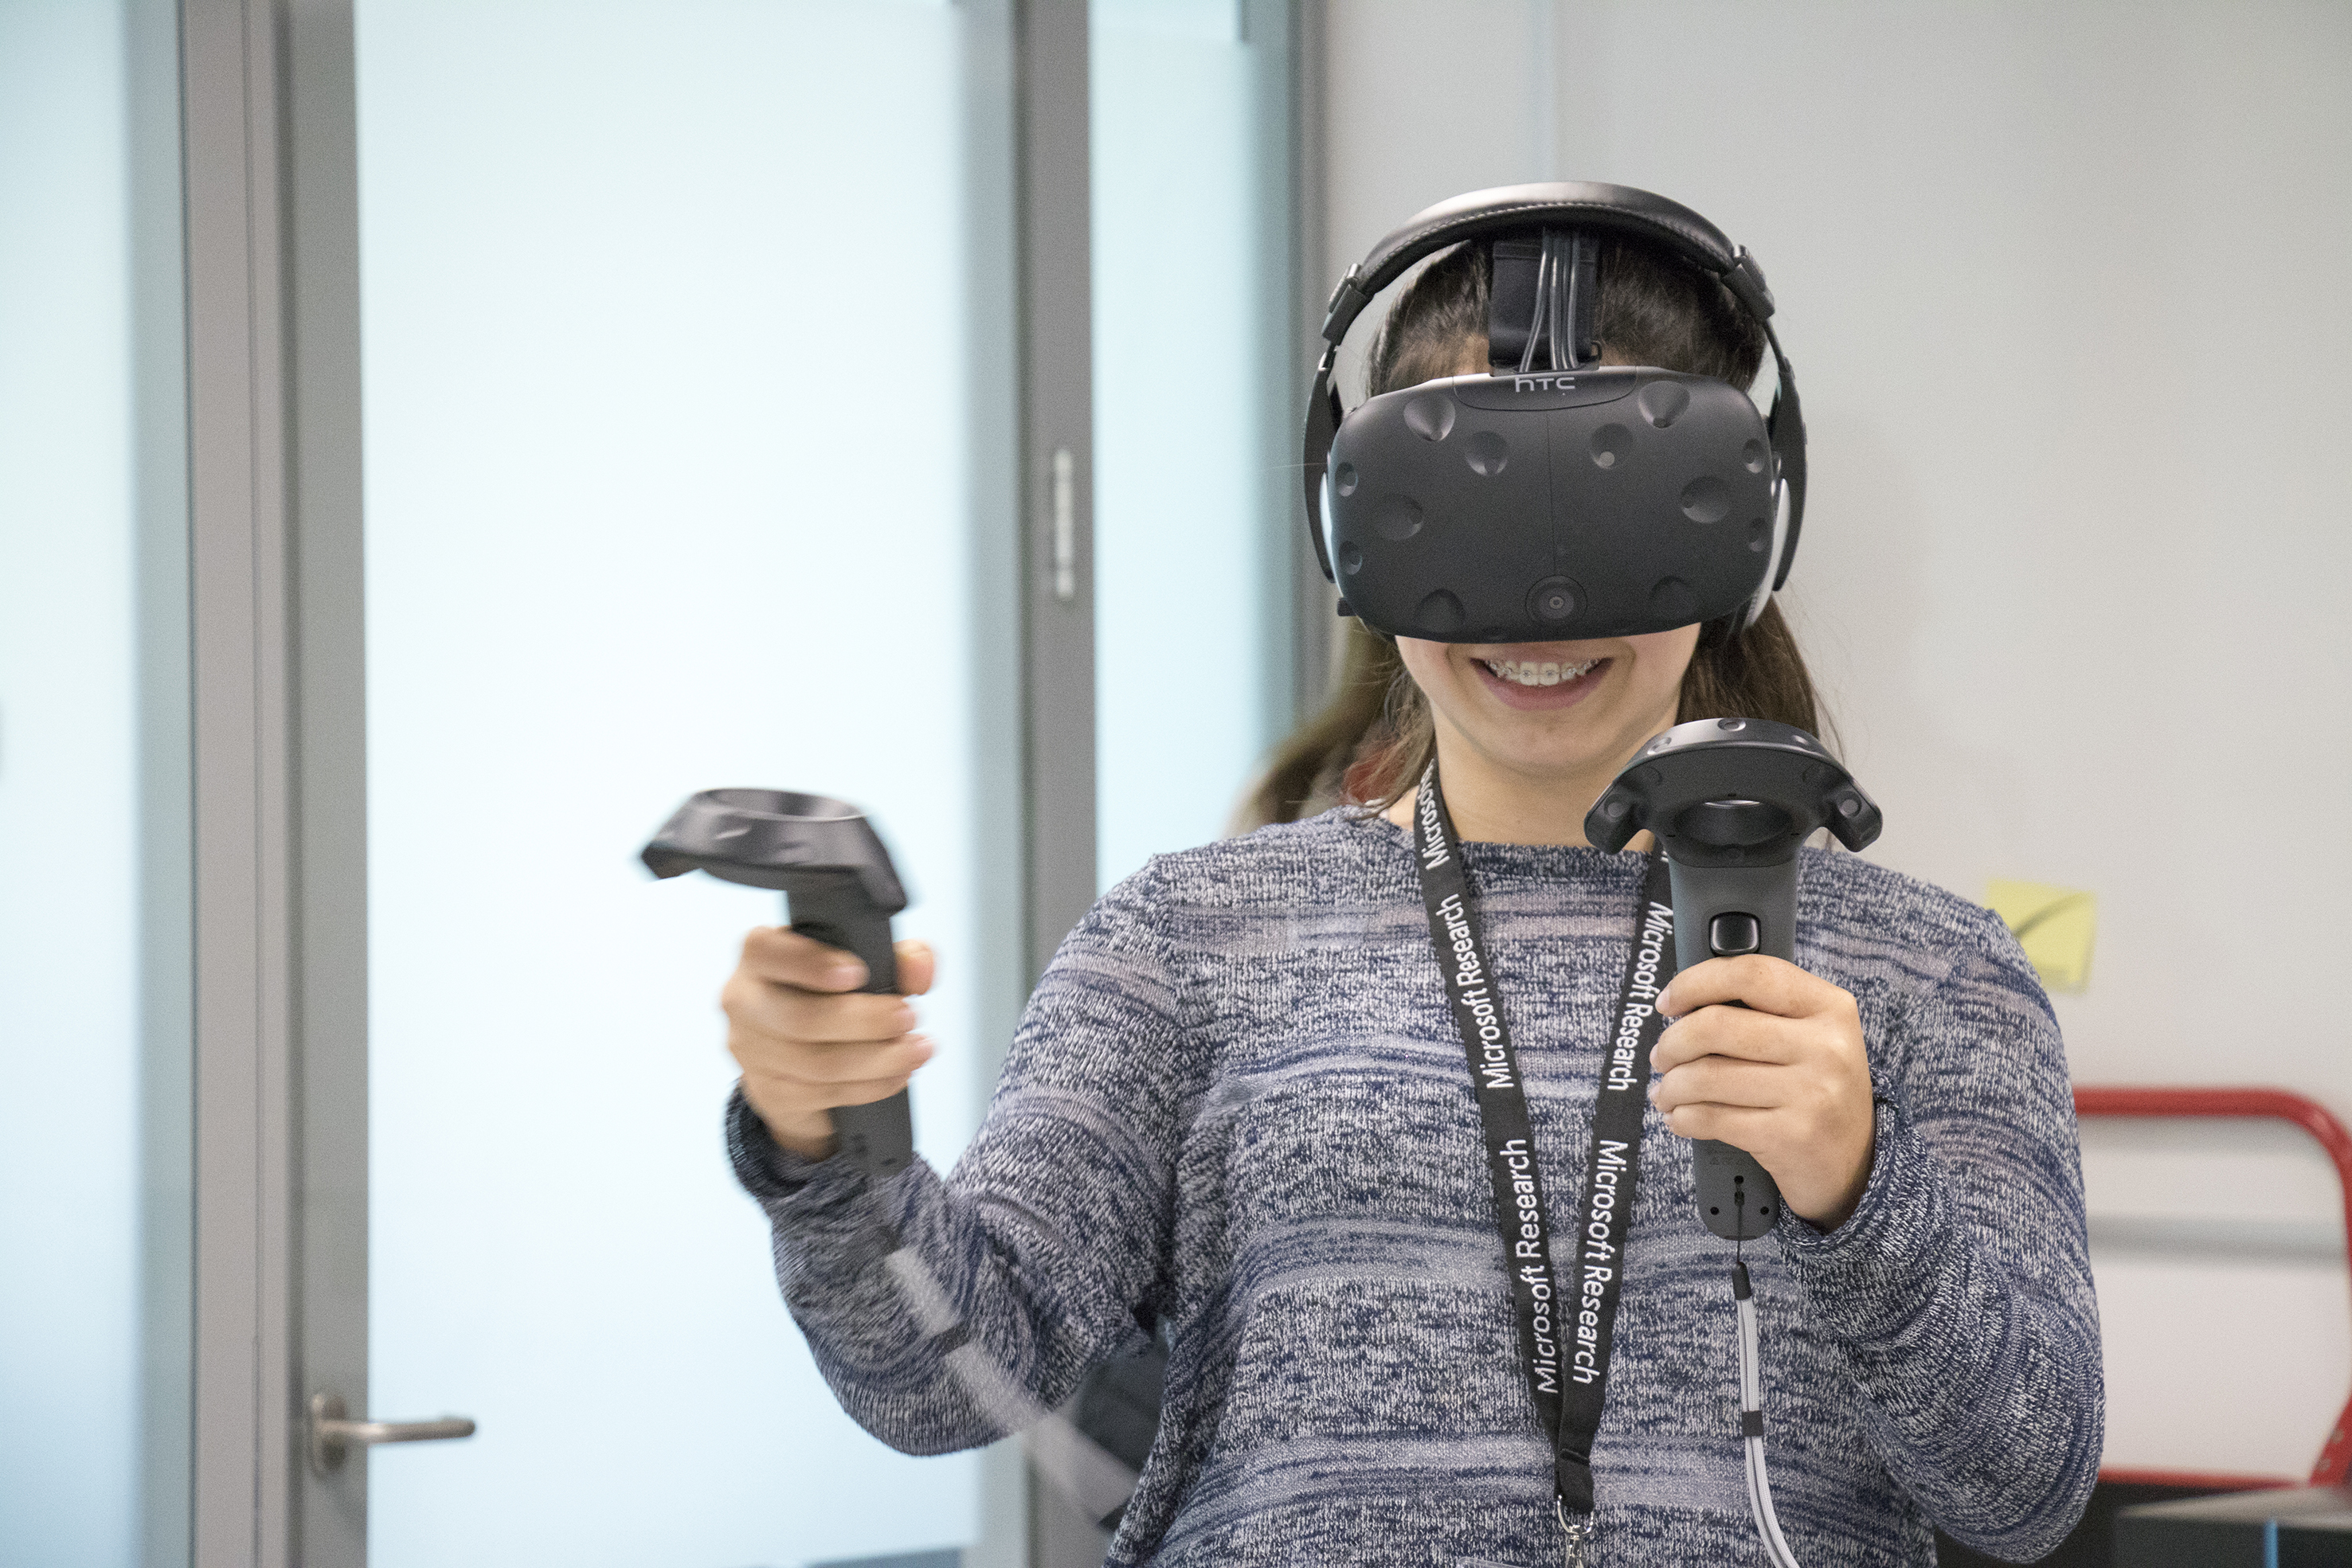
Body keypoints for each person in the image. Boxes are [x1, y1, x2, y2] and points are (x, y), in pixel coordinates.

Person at [717, 230, 2101, 1566]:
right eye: (1466, 521)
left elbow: (2026, 1488)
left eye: (1612, 518)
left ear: (1739, 530)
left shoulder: (1927, 971)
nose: (1541, 610)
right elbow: (944, 1380)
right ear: (1358, 535)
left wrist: (1859, 1189)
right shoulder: (1191, 938)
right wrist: (827, 1145)